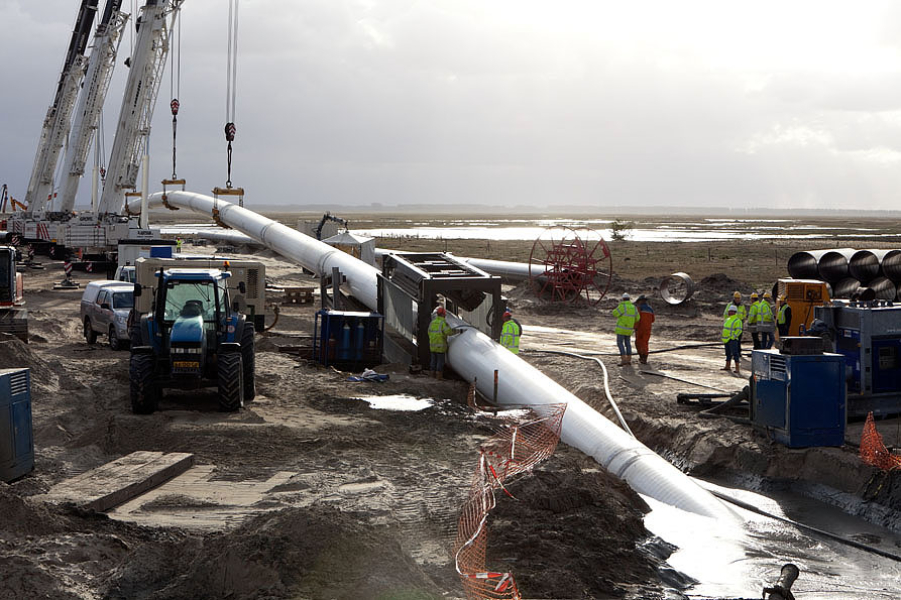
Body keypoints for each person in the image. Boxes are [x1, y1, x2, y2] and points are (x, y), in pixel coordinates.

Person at [612, 292, 640, 366]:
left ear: (623, 299)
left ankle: (623, 359)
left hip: (621, 329)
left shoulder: (622, 306)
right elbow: (638, 318)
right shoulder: (634, 307)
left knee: (620, 343)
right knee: (628, 344)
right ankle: (629, 359)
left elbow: (614, 313)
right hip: (629, 330)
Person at [428, 306, 454, 379]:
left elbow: (429, 332)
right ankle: (439, 376)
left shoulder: (432, 322)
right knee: (440, 362)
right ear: (443, 314)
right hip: (440, 346)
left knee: (433, 361)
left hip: (433, 346)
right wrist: (454, 331)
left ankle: (432, 375)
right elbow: (448, 332)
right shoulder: (443, 323)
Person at [634, 294, 655, 364]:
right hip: (648, 329)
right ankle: (644, 357)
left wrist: (635, 327)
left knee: (638, 342)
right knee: (645, 343)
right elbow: (653, 320)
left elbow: (637, 319)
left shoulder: (638, 308)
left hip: (640, 328)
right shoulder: (650, 309)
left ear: (640, 301)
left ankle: (641, 356)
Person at [722, 304, 743, 374]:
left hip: (732, 339)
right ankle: (727, 365)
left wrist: (733, 337)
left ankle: (737, 368)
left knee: (735, 353)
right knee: (728, 353)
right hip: (726, 339)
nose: (729, 312)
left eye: (731, 311)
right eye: (729, 311)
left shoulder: (737, 321)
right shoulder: (727, 319)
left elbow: (739, 330)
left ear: (734, 312)